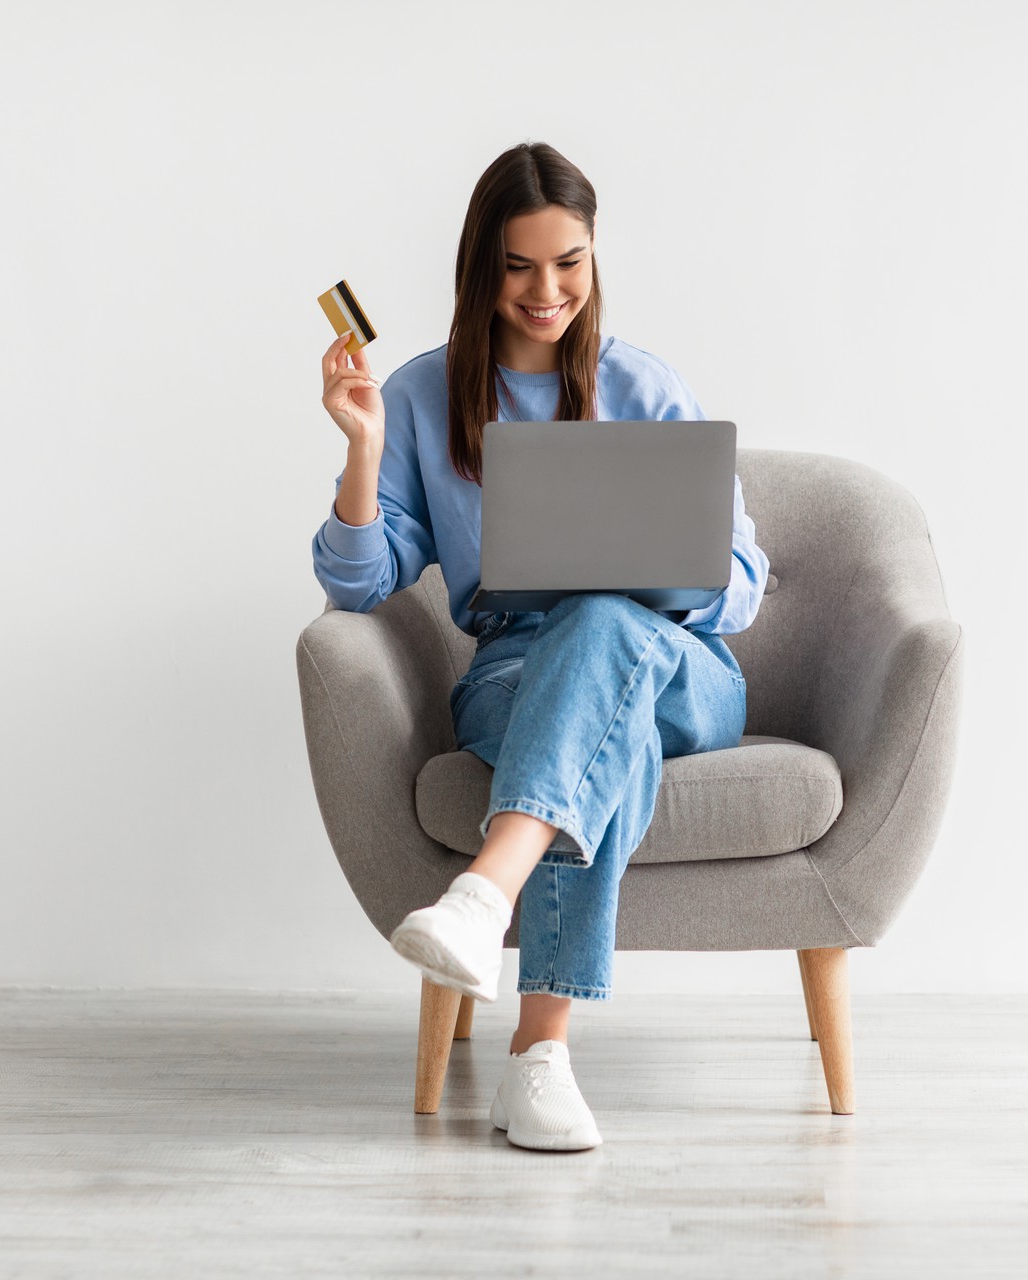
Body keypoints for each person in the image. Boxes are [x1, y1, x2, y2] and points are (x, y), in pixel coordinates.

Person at [310, 142, 769, 1151]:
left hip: (679, 662)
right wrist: (364, 449)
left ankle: (483, 892)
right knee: (607, 737)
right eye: (520, 265)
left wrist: (659, 573)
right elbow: (355, 581)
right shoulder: (426, 395)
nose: (547, 289)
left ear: (594, 259)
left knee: (606, 621)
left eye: (570, 261)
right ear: (483, 267)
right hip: (516, 669)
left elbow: (742, 584)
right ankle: (538, 1060)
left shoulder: (645, 385)